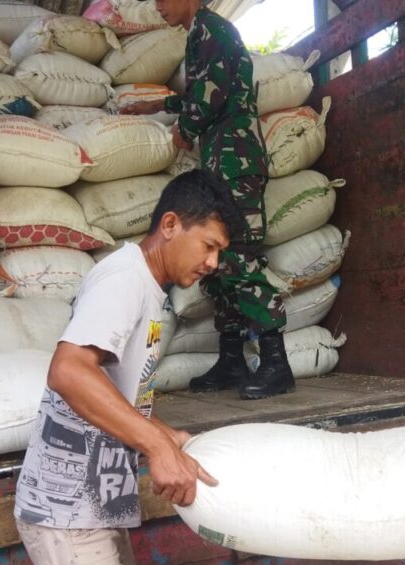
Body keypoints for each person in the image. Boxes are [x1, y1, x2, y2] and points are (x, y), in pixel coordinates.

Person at [13, 170, 241, 565]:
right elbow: (68, 370)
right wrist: (157, 450)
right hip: (67, 511)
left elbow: (119, 396)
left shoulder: (151, 291)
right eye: (208, 245)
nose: (213, 263)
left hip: (96, 505)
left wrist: (164, 435)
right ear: (169, 225)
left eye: (220, 252)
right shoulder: (122, 280)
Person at [120, 0, 293, 400]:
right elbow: (205, 91)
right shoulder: (201, 34)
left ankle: (276, 361)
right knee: (214, 263)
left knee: (236, 259)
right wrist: (160, 105)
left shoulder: (212, 30)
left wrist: (183, 128)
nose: (159, 7)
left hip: (235, 162)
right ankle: (232, 359)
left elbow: (208, 98)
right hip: (222, 163)